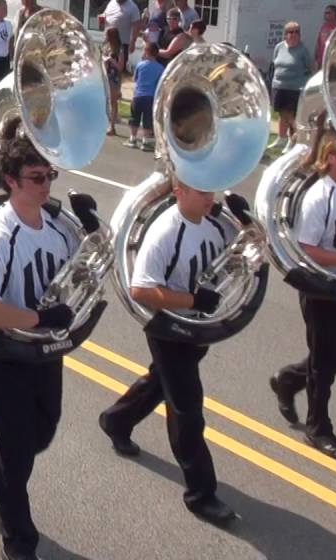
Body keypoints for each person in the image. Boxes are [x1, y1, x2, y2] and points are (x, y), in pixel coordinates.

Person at [0, 136, 81, 560]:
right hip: (4, 355)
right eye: (36, 178)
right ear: (11, 180)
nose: (46, 186)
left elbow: (74, 277)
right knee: (17, 453)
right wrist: (39, 319)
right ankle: (19, 540)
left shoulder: (59, 229)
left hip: (45, 350)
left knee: (42, 432)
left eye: (50, 176)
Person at [97, 177, 238, 527]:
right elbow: (141, 289)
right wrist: (192, 301)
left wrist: (247, 225)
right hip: (168, 329)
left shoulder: (214, 226)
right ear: (180, 192)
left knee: (162, 382)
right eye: (203, 190)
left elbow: (235, 261)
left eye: (211, 189)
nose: (211, 197)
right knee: (187, 407)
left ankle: (117, 419)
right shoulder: (165, 232)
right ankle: (200, 494)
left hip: (197, 327)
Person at [270, 132, 336, 459]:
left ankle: (288, 380)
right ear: (330, 157)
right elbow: (307, 249)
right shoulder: (320, 196)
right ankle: (318, 427)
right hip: (321, 286)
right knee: (323, 360)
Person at [269, 22, 315, 152]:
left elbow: (310, 67)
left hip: (295, 88)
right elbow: (275, 63)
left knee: (292, 116)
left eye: (297, 32)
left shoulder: (303, 50)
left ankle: (292, 140)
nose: (294, 34)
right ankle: (281, 138)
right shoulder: (279, 47)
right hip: (278, 86)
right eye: (291, 32)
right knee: (282, 114)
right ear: (285, 35)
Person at [126, 42, 163, 151]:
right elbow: (159, 83)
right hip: (150, 96)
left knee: (134, 117)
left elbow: (135, 79)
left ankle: (132, 139)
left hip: (138, 95)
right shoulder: (160, 68)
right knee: (147, 118)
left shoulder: (140, 65)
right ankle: (145, 141)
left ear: (146, 52)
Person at [102, 0, 140, 71]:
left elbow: (136, 25)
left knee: (118, 68)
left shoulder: (132, 7)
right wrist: (101, 18)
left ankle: (117, 82)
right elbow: (105, 14)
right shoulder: (111, 3)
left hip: (122, 43)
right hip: (108, 41)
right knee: (105, 66)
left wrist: (133, 42)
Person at [315, 5, 336, 71]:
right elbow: (319, 44)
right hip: (322, 64)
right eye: (325, 13)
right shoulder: (324, 27)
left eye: (328, 13)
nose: (325, 15)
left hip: (335, 65)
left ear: (335, 14)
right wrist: (317, 60)